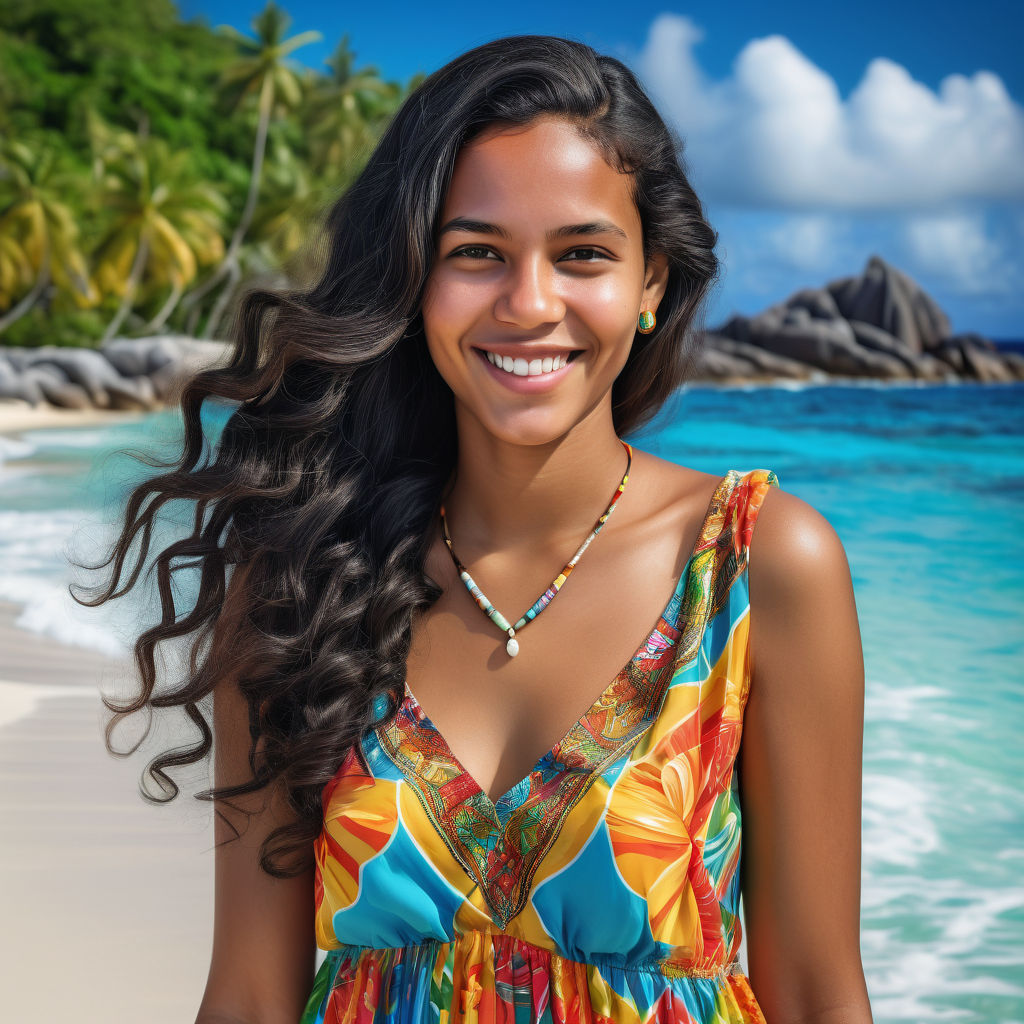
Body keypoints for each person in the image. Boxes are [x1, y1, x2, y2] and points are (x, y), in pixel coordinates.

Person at [80, 34, 871, 1024]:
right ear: (415, 277)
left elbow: (817, 994)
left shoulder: (756, 566)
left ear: (651, 282)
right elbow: (247, 995)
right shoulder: (300, 576)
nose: (529, 303)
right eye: (476, 254)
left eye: (582, 254)